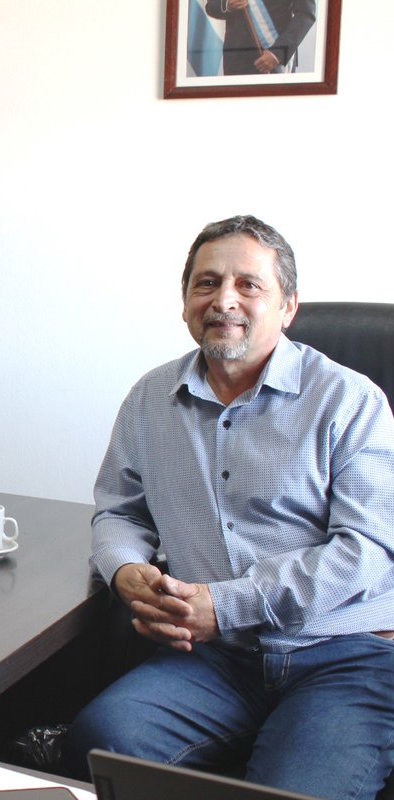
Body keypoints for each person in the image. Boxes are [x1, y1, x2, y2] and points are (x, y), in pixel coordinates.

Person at [62, 215, 394, 799]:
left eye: (249, 285)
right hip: (216, 658)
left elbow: (367, 549)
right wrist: (124, 569)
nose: (225, 301)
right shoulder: (149, 399)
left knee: (293, 791)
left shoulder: (349, 400)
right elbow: (121, 509)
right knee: (101, 744)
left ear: (289, 307)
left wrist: (229, 604)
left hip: (343, 653)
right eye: (207, 284)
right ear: (186, 301)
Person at [204, 0, 316, 75]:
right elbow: (211, 6)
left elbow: (306, 14)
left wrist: (278, 53)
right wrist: (227, 4)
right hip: (237, 58)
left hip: (275, 57)